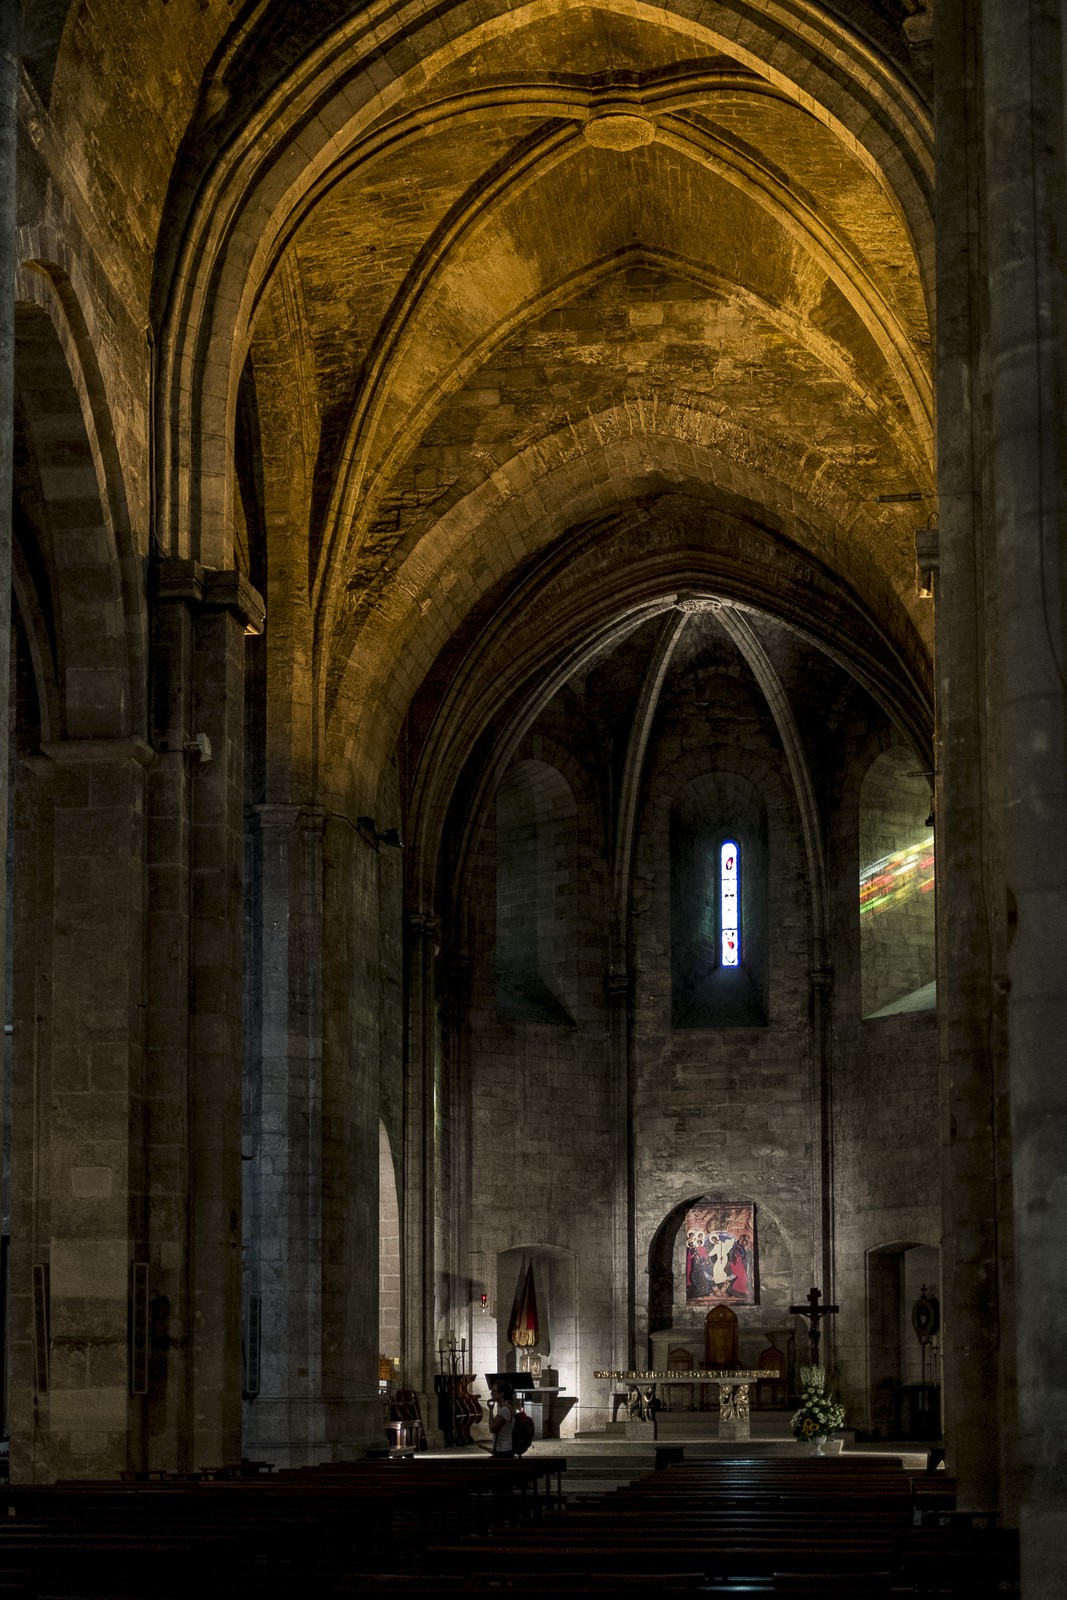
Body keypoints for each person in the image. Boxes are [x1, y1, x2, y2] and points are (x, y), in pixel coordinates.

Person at [487, 1379, 516, 1459]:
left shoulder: (504, 1410)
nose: (491, 1393)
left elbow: (492, 1428)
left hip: (504, 1450)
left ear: (502, 1394)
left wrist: (490, 1410)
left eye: (494, 1391)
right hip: (502, 1449)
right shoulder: (505, 1408)